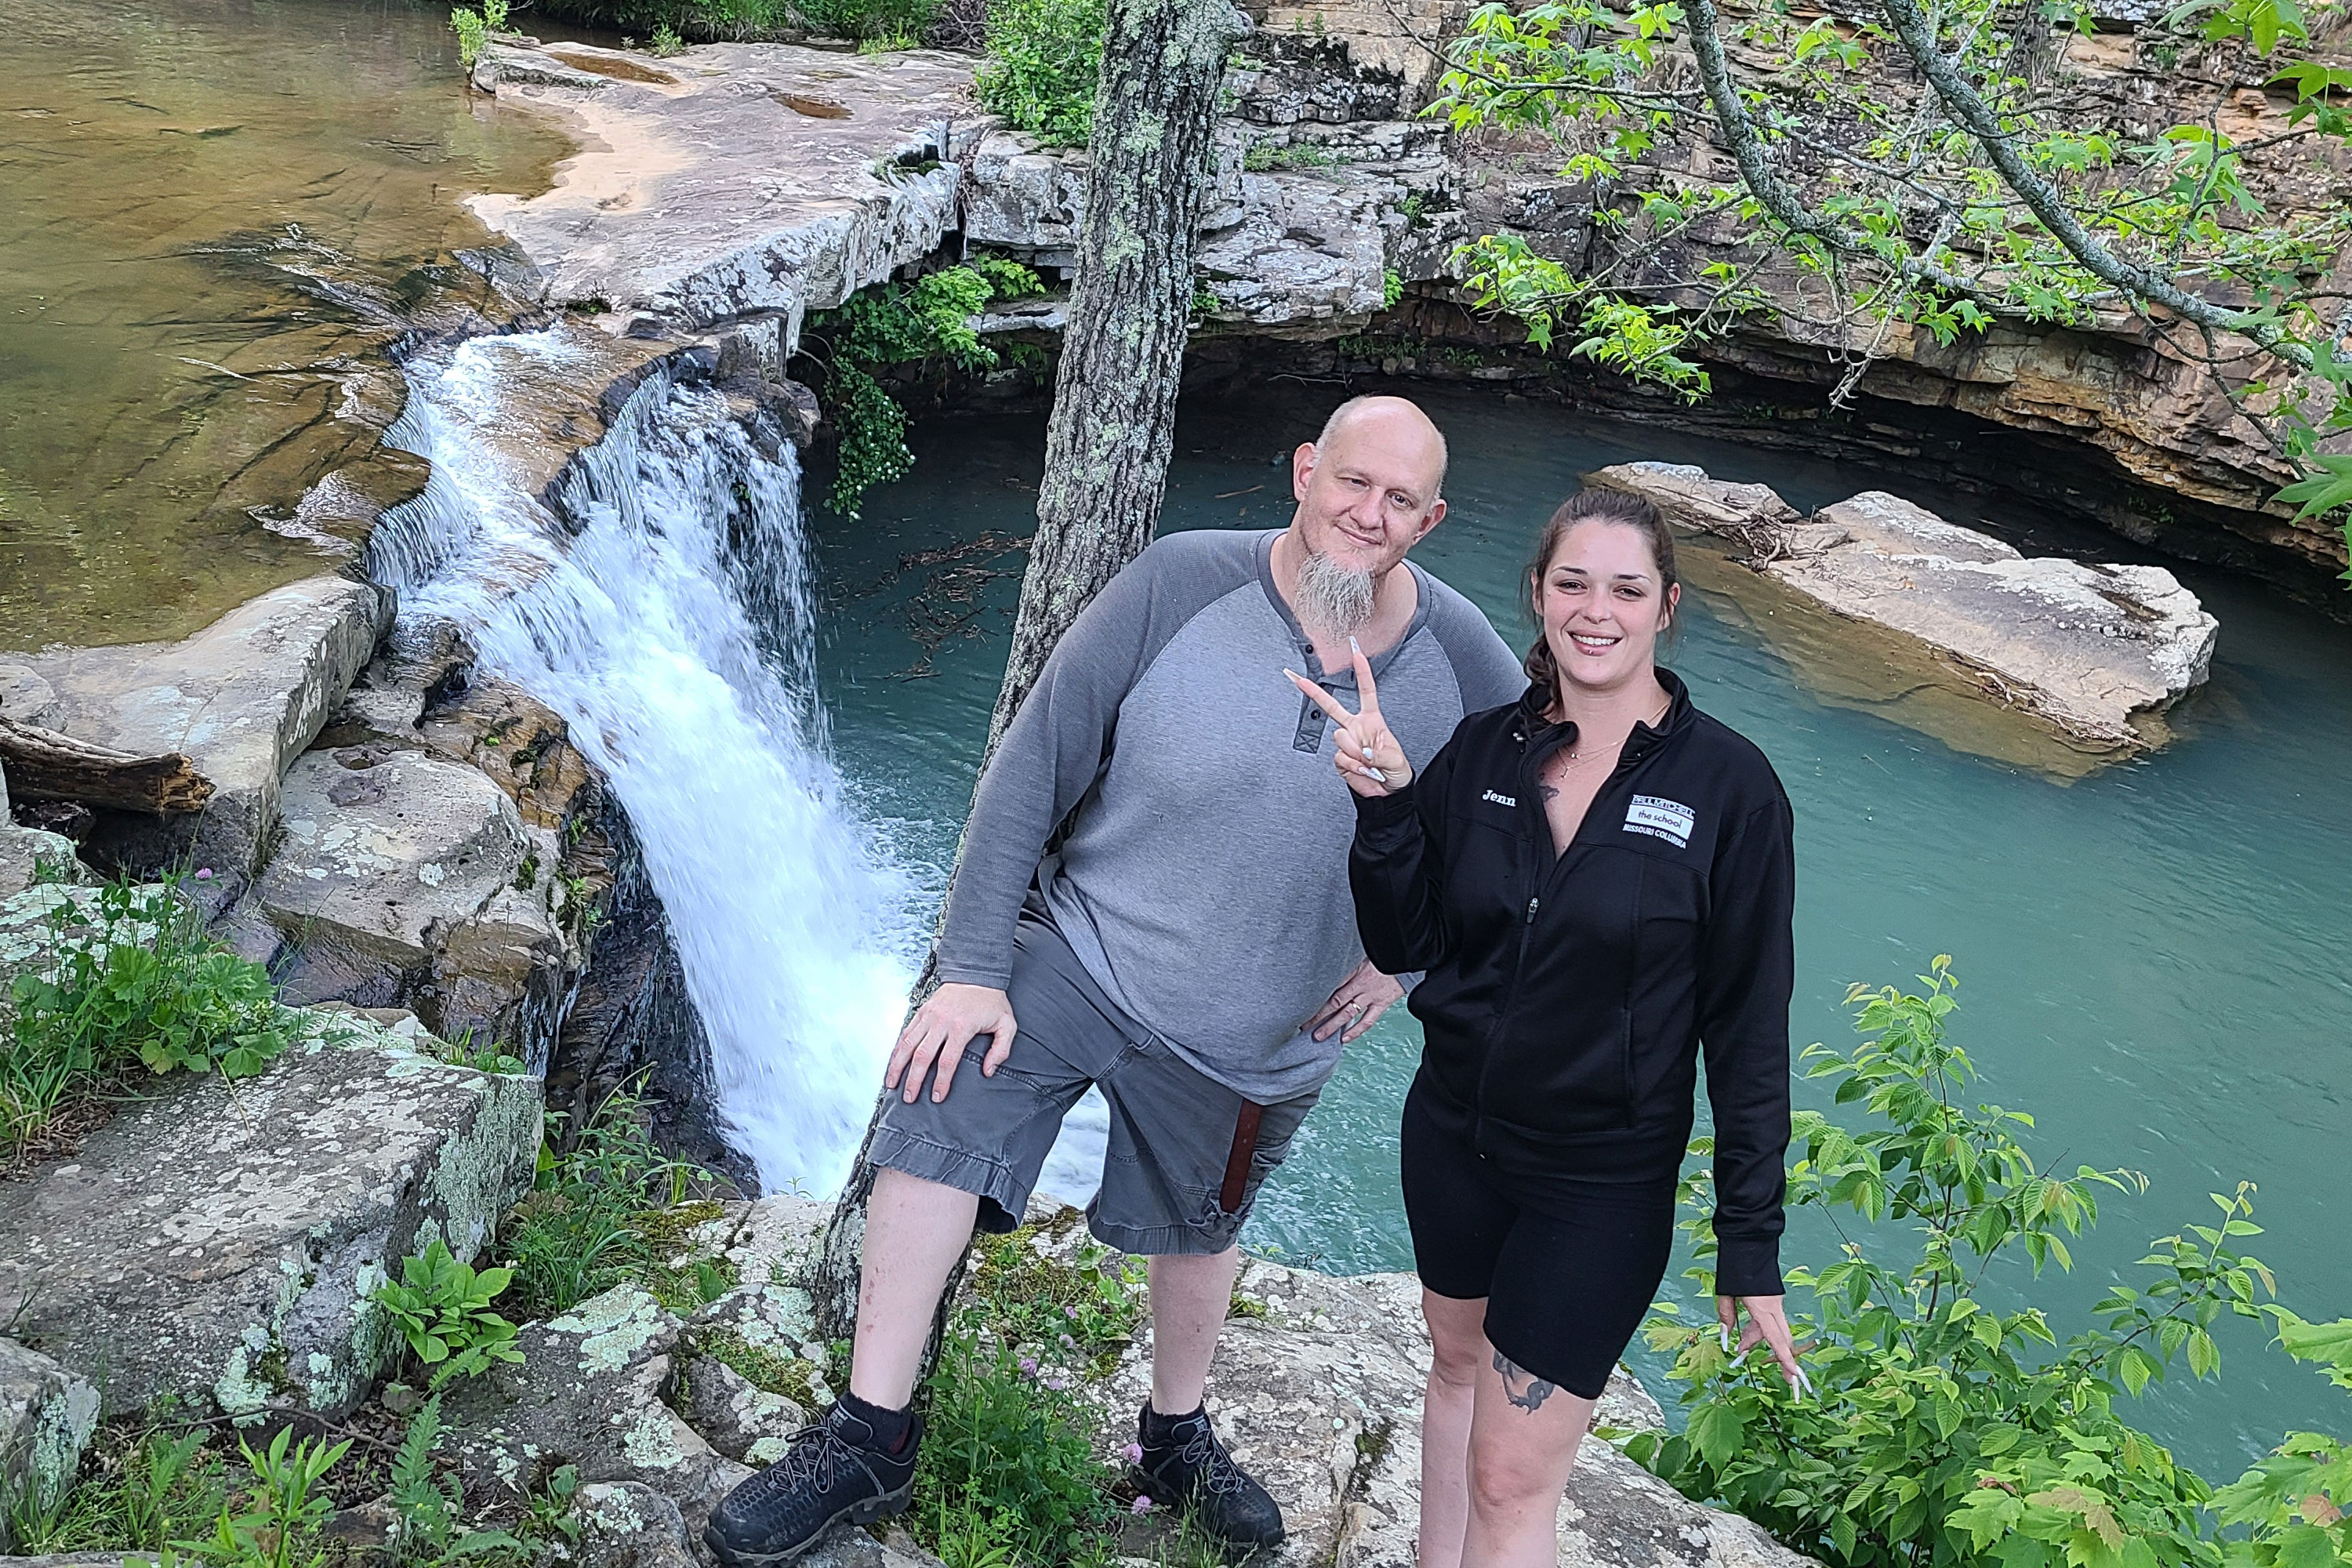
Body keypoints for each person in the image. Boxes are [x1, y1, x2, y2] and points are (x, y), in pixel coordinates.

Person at [702, 396, 1526, 1566]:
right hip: (1084, 951)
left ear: (1430, 521)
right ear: (1304, 472)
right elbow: (1034, 764)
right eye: (1353, 482)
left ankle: (1174, 1436)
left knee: (1206, 1224)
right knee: (940, 1101)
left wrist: (1411, 957)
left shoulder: (1467, 660)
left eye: (1402, 501)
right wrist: (972, 969)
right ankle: (870, 1432)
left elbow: (1525, 835)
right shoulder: (1182, 581)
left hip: (1263, 1022)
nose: (1370, 514)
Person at [1290, 487, 1806, 1568]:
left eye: (1626, 589)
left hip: (1600, 1182)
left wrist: (1749, 1243)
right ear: (1538, 594)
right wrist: (1387, 806)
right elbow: (1412, 936)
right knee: (1453, 1368)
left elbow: (1748, 1027)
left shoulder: (1732, 790)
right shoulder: (1486, 754)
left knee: (1512, 1479)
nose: (1596, 611)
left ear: (1667, 606)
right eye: (1573, 583)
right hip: (1454, 1140)